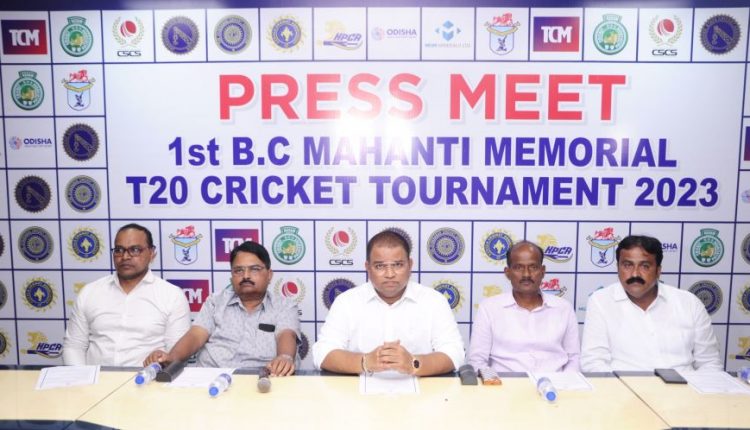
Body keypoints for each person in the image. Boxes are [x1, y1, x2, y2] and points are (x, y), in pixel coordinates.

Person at [312, 230, 464, 376]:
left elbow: (454, 353)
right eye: (380, 266)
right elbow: (322, 353)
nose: (390, 274)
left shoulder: (434, 301)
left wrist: (413, 363)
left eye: (398, 265)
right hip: (357, 391)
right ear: (367, 268)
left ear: (410, 265)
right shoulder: (346, 302)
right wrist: (365, 362)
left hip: (421, 390)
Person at [145, 241, 299, 376]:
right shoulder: (215, 302)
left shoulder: (284, 306)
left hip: (261, 380)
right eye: (238, 270)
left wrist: (285, 357)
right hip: (211, 378)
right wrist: (171, 358)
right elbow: (195, 336)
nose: (246, 276)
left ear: (269, 275)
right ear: (232, 276)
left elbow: (287, 335)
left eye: (254, 269)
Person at [580, 235, 722, 372]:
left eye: (645, 266)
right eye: (627, 265)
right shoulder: (601, 301)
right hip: (623, 386)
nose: (635, 274)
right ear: (618, 268)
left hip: (684, 385)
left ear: (658, 270)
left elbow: (709, 363)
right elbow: (593, 363)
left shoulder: (689, 303)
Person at [63, 223, 191, 366]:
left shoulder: (172, 296)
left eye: (135, 250)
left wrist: (163, 361)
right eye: (119, 250)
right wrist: (82, 377)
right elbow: (74, 346)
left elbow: (176, 355)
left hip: (148, 378)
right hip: (96, 378)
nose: (125, 256)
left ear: (151, 253)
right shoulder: (90, 292)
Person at [468, 241, 580, 372]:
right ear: (507, 272)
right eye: (518, 267)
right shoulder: (489, 308)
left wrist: (564, 382)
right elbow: (477, 361)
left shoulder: (564, 308)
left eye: (533, 267)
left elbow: (574, 359)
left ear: (543, 271)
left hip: (555, 383)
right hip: (504, 383)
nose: (526, 274)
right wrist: (494, 383)